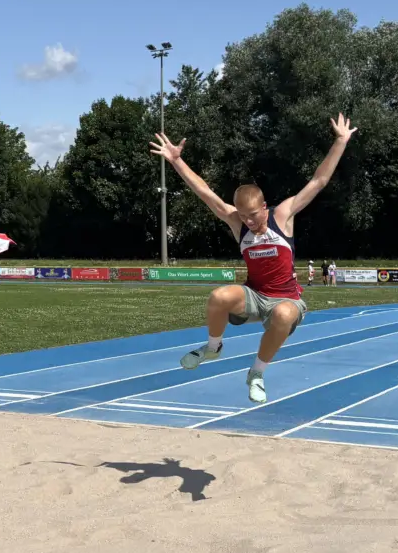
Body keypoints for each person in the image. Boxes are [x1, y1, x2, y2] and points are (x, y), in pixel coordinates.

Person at [150, 114, 357, 403]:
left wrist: (340, 141)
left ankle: (256, 373)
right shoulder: (237, 222)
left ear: (264, 207)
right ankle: (212, 347)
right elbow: (205, 192)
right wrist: (176, 161)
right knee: (219, 296)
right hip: (255, 296)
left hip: (286, 299)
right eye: (242, 216)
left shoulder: (283, 216)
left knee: (283, 315)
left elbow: (318, 181)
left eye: (253, 215)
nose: (248, 221)